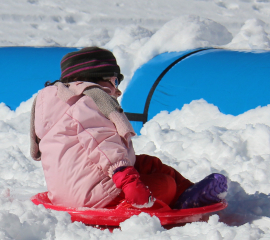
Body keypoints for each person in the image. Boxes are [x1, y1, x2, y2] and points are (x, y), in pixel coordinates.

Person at [30, 46, 228, 210]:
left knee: (148, 164)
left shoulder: (58, 103)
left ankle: (188, 192)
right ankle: (141, 204)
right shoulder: (90, 100)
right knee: (165, 185)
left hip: (67, 195)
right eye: (115, 81)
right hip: (98, 199)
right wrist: (128, 181)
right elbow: (102, 143)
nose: (117, 90)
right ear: (97, 77)